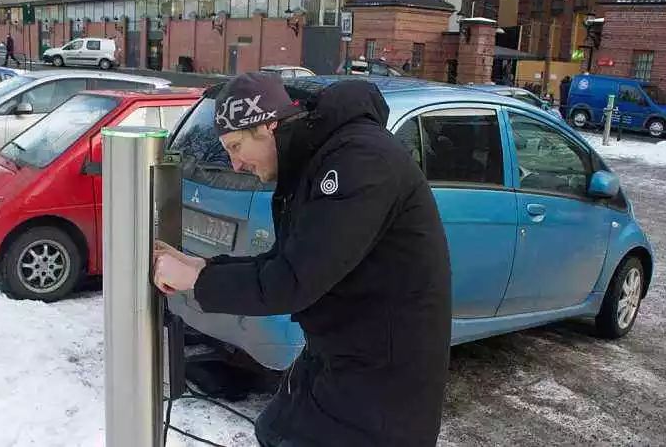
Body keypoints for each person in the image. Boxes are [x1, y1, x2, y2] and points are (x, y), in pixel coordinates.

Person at [154, 72, 452, 446]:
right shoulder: (316, 161)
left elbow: (293, 280)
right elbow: (284, 259)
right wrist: (204, 268)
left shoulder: (360, 162)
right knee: (273, 432)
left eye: (234, 146)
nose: (234, 164)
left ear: (267, 127)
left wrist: (198, 282)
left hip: (382, 386)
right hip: (340, 360)